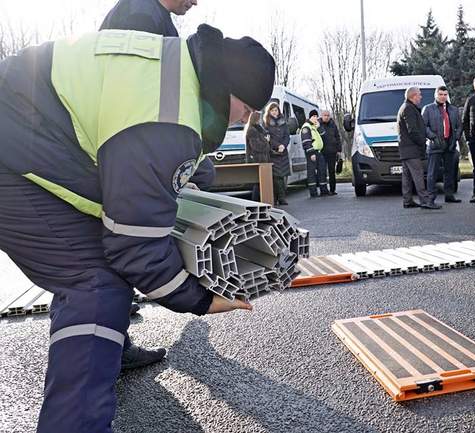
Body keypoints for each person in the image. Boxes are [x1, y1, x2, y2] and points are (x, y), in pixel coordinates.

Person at [0, 25, 275, 433]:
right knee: (95, 282)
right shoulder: (169, 116)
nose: (245, 120)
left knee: (93, 272)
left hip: (24, 137)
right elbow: (135, 248)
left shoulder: (173, 68)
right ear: (232, 93)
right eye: (247, 110)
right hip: (11, 154)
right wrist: (201, 300)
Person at [100, 0, 213, 370]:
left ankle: (111, 344)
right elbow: (143, 103)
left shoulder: (150, 15)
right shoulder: (140, 17)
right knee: (117, 250)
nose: (196, 1)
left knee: (109, 254)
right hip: (125, 153)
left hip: (121, 151)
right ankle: (106, 351)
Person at [397, 87, 439, 209]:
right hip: (411, 149)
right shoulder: (409, 109)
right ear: (413, 96)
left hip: (406, 149)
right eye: (419, 95)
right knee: (418, 175)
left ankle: (407, 200)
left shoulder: (405, 107)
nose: (421, 97)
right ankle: (425, 201)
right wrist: (422, 141)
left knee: (407, 176)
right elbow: (413, 130)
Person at [422, 86, 462, 205]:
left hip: (450, 145)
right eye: (440, 94)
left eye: (445, 94)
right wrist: (433, 137)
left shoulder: (454, 109)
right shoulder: (428, 109)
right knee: (432, 173)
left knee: (449, 172)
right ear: (436, 95)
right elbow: (423, 126)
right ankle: (430, 198)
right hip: (435, 145)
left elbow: (459, 126)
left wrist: (455, 138)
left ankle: (449, 195)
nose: (443, 97)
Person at [264, 102, 290, 205]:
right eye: (272, 110)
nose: (275, 112)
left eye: (276, 110)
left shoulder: (283, 123)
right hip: (273, 153)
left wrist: (283, 145)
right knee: (276, 176)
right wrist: (277, 145)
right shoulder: (266, 123)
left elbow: (287, 136)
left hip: (283, 152)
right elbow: (268, 138)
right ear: (269, 112)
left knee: (283, 176)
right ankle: (280, 198)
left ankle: (280, 197)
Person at [301, 110, 329, 198]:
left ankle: (323, 190)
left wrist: (319, 127)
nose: (316, 118)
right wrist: (311, 153)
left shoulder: (315, 126)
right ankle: (313, 192)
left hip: (319, 152)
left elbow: (324, 135)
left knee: (322, 171)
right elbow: (306, 141)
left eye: (316, 116)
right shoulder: (306, 127)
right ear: (310, 117)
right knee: (312, 173)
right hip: (312, 152)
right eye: (314, 116)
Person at [245, 111, 271, 201]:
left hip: (261, 158)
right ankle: (256, 201)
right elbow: (256, 146)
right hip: (257, 159)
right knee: (257, 182)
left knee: (261, 183)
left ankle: (261, 200)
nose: (260, 120)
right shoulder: (252, 130)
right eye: (259, 118)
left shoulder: (258, 129)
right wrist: (266, 141)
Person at [319, 110, 343, 195]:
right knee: (322, 171)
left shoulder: (333, 124)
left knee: (332, 171)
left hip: (332, 151)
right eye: (325, 115)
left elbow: (337, 136)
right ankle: (324, 190)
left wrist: (339, 149)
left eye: (328, 115)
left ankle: (332, 190)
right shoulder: (318, 124)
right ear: (321, 116)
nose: (326, 117)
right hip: (322, 151)